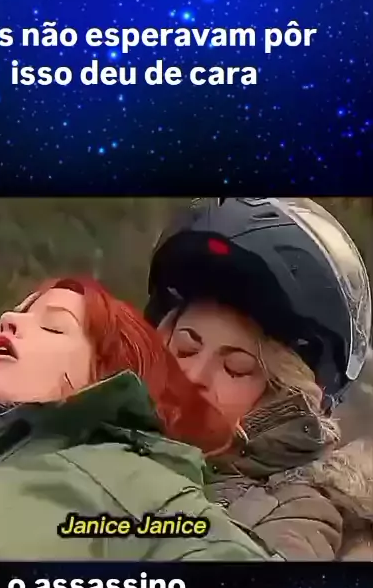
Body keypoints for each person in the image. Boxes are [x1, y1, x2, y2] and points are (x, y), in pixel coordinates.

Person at [0, 276, 276, 561]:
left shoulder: (130, 485)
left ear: (104, 374)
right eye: (14, 315)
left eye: (53, 326)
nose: (8, 318)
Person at [145, 197, 373, 560]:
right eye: (186, 349)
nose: (193, 376)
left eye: (235, 367)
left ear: (281, 396)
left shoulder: (294, 514)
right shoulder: (84, 435)